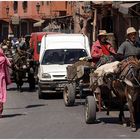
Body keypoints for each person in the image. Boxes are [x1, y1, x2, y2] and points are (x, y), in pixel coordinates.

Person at [0, 48, 11, 117]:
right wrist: (4, 56)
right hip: (2, 79)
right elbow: (9, 64)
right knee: (1, 94)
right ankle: (0, 111)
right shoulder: (3, 59)